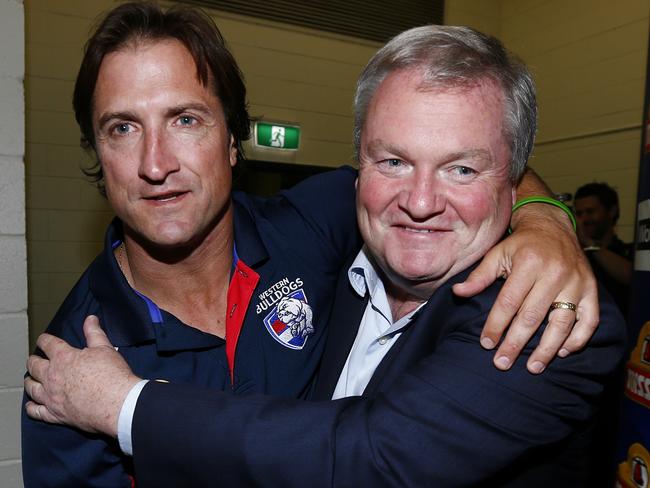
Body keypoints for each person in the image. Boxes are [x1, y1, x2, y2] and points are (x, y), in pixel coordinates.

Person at [23, 6, 606, 487]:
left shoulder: (309, 222)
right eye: (122, 128)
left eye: (185, 120)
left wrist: (546, 221)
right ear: (97, 153)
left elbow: (482, 159)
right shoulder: (74, 371)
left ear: (233, 140)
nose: (156, 164)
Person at [574, 182, 633, 316]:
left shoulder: (628, 251)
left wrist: (588, 243)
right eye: (579, 214)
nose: (583, 219)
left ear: (611, 212)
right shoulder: (577, 255)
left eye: (590, 212)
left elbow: (631, 277)